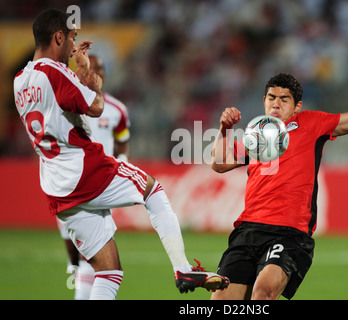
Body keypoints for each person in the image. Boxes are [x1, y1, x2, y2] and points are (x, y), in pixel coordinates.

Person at [14, 9, 229, 300]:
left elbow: (60, 101)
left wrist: (78, 73)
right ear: (58, 37)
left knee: (108, 271)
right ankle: (182, 268)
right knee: (153, 190)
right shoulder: (54, 71)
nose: (73, 48)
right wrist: (93, 81)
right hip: (84, 168)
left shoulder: (20, 80)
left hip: (55, 184)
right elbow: (95, 106)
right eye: (72, 40)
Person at [210, 54, 348, 300]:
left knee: (263, 292)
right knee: (221, 300)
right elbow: (218, 164)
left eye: (284, 99)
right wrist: (225, 129)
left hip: (289, 233)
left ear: (297, 106)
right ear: (264, 101)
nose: (276, 104)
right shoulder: (255, 133)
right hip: (248, 230)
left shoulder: (312, 123)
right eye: (271, 98)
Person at [57, 54, 132, 300]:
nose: (97, 73)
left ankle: (82, 289)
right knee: (76, 244)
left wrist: (121, 165)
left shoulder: (117, 110)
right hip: (69, 180)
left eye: (100, 69)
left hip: (101, 183)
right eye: (92, 68)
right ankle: (79, 275)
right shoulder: (66, 103)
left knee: (92, 248)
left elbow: (122, 143)